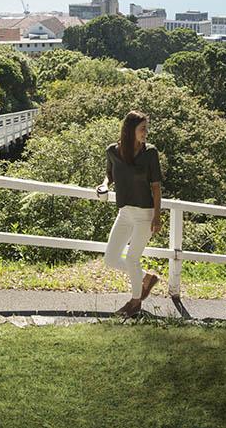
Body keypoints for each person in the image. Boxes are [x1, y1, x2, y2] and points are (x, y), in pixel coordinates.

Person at [98, 110, 163, 318]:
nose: (146, 132)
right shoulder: (112, 151)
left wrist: (157, 216)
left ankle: (135, 303)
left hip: (145, 213)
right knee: (110, 259)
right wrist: (104, 185)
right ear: (130, 130)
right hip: (124, 212)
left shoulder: (150, 153)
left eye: (146, 128)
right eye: (142, 128)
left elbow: (156, 187)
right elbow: (110, 175)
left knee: (132, 259)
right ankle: (147, 278)